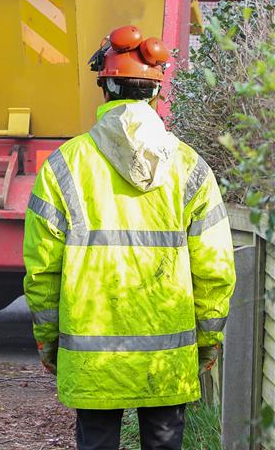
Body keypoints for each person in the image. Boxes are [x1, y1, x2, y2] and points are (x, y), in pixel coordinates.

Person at [23, 25, 236, 450]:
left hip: (91, 358)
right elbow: (215, 269)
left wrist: (48, 340)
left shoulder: (64, 166)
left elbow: (42, 268)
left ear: (104, 89)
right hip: (167, 358)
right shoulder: (191, 168)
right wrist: (208, 340)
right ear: (157, 94)